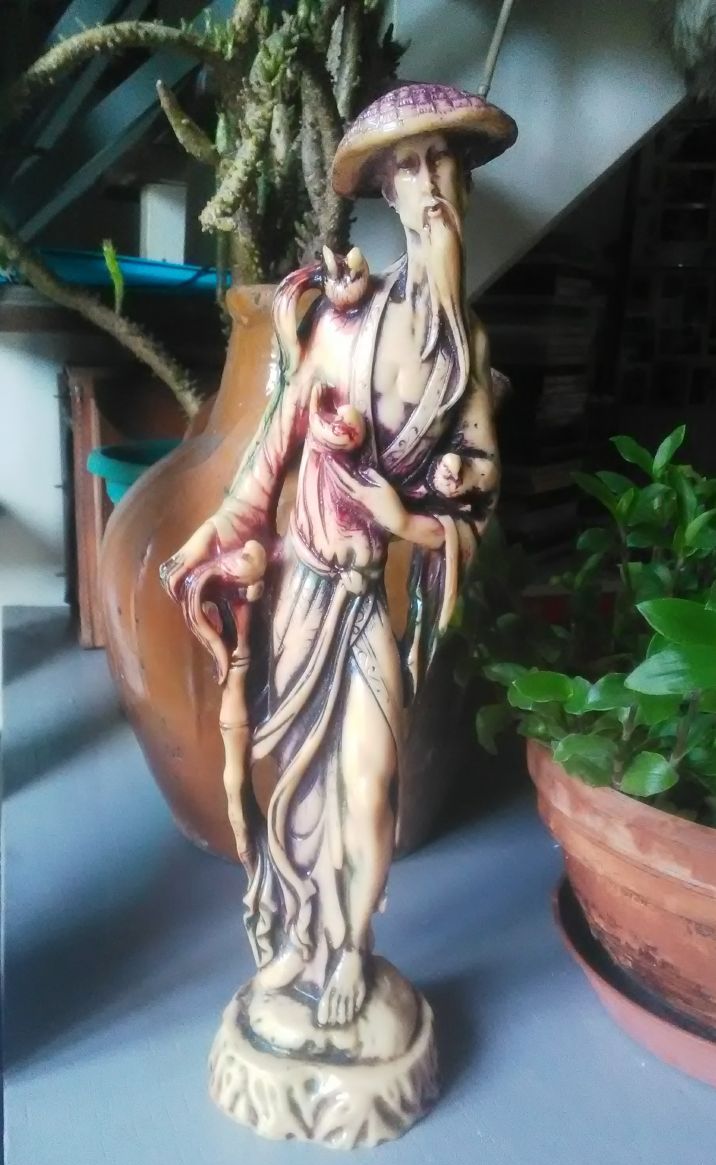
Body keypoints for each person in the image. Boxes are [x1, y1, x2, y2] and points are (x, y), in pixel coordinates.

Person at [161, 82, 517, 1029]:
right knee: (298, 785)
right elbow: (272, 447)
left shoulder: (467, 350)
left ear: (466, 186)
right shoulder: (345, 322)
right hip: (302, 593)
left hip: (365, 607)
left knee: (369, 780)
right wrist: (218, 531)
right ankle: (301, 940)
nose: (431, 186)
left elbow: (479, 484)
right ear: (388, 194)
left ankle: (353, 948)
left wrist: (428, 503)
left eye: (445, 164)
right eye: (410, 169)